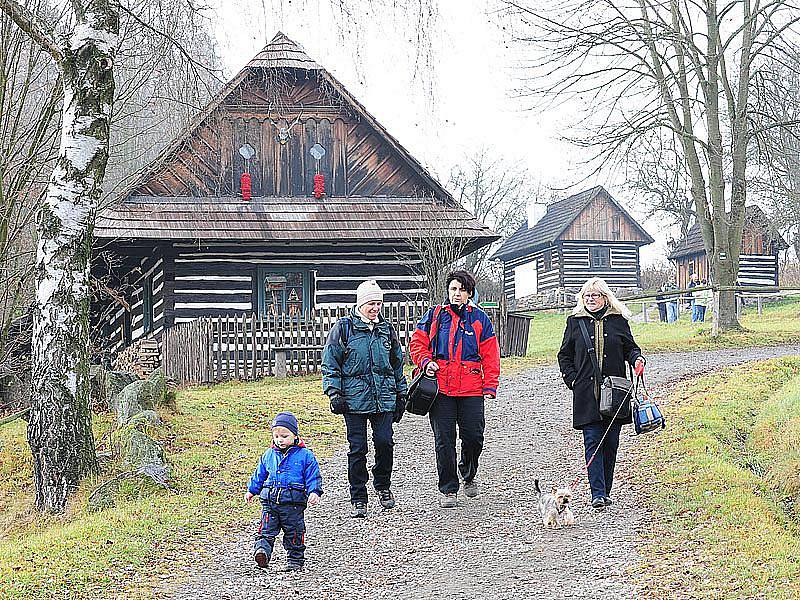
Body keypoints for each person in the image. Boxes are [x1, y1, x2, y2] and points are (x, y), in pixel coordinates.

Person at [410, 270, 500, 508]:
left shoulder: (481, 319)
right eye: (453, 289)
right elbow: (417, 343)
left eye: (461, 290)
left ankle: (468, 473)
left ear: (469, 293)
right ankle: (448, 489)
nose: (456, 294)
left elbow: (491, 355)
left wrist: (490, 384)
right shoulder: (435, 316)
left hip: (471, 389)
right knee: (444, 440)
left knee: (474, 437)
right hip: (441, 389)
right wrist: (426, 361)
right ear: (447, 291)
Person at [556, 277, 646, 510]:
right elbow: (564, 355)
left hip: (615, 393)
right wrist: (573, 379)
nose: (590, 299)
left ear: (605, 297)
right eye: (586, 296)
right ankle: (596, 493)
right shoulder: (575, 323)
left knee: (611, 443)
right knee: (592, 441)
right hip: (586, 394)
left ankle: (605, 490)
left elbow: (631, 348)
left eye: (594, 295)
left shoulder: (618, 321)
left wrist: (637, 359)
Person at [321, 280, 407, 518]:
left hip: (383, 398)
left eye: (378, 303)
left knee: (384, 443)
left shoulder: (386, 330)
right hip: (353, 400)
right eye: (371, 303)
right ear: (361, 304)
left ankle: (383, 485)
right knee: (357, 448)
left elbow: (397, 365)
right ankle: (358, 495)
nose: (375, 308)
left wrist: (402, 394)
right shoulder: (344, 328)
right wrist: (334, 393)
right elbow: (330, 363)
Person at [245, 411, 322, 571]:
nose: (280, 440)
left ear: (295, 436)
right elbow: (259, 474)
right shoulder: (268, 455)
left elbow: (313, 476)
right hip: (270, 502)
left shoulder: (305, 456)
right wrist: (252, 490)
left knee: (294, 532)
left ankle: (295, 560)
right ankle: (262, 553)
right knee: (265, 530)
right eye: (277, 436)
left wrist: (314, 491)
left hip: (293, 504)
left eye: (284, 436)